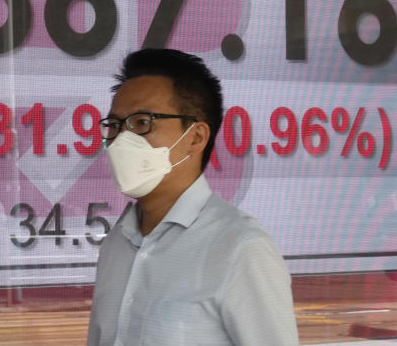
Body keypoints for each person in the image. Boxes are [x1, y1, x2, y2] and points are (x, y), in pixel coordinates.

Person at [87, 49, 298, 346]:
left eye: (142, 123)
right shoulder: (117, 243)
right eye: (114, 126)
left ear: (196, 137)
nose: (122, 139)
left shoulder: (240, 248)